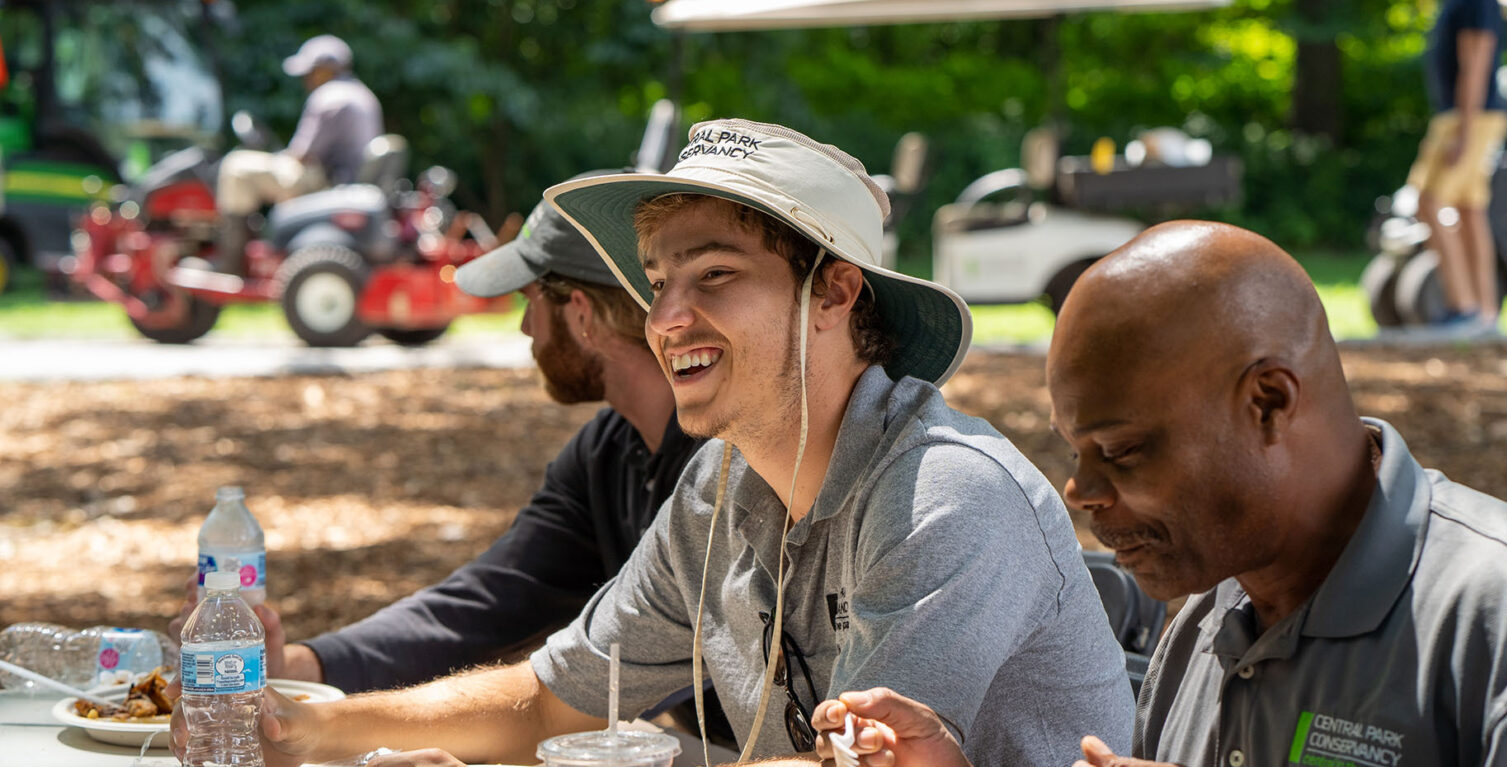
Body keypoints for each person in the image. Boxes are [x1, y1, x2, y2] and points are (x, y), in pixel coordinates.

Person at [172, 119, 1136, 767]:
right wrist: (310, 723)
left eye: (714, 274)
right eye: (656, 281)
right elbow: (552, 698)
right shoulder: (725, 483)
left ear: (835, 293)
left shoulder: (942, 495)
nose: (668, 317)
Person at [815, 221, 1507, 767]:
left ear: (1270, 402)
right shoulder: (1214, 620)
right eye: (1078, 453)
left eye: (1126, 451)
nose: (1080, 492)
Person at [173, 192, 701, 694]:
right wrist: (300, 664)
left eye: (529, 300)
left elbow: (632, 676)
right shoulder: (607, 451)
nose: (524, 327)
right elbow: (482, 606)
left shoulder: (723, 461)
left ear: (581, 314)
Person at [214, 35, 383, 274]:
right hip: (347, 178)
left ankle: (231, 261)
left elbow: (302, 155)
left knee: (236, 168)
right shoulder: (364, 96)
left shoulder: (329, 98)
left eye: (310, 72)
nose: (307, 80)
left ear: (325, 70)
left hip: (325, 179)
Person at [1406, 0, 1507, 333]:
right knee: (1469, 210)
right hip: (1472, 117)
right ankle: (1485, 312)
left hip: (1467, 118)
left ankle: (1463, 307)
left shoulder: (1477, 2)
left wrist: (1464, 131)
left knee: (1428, 201)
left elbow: (1476, 62)